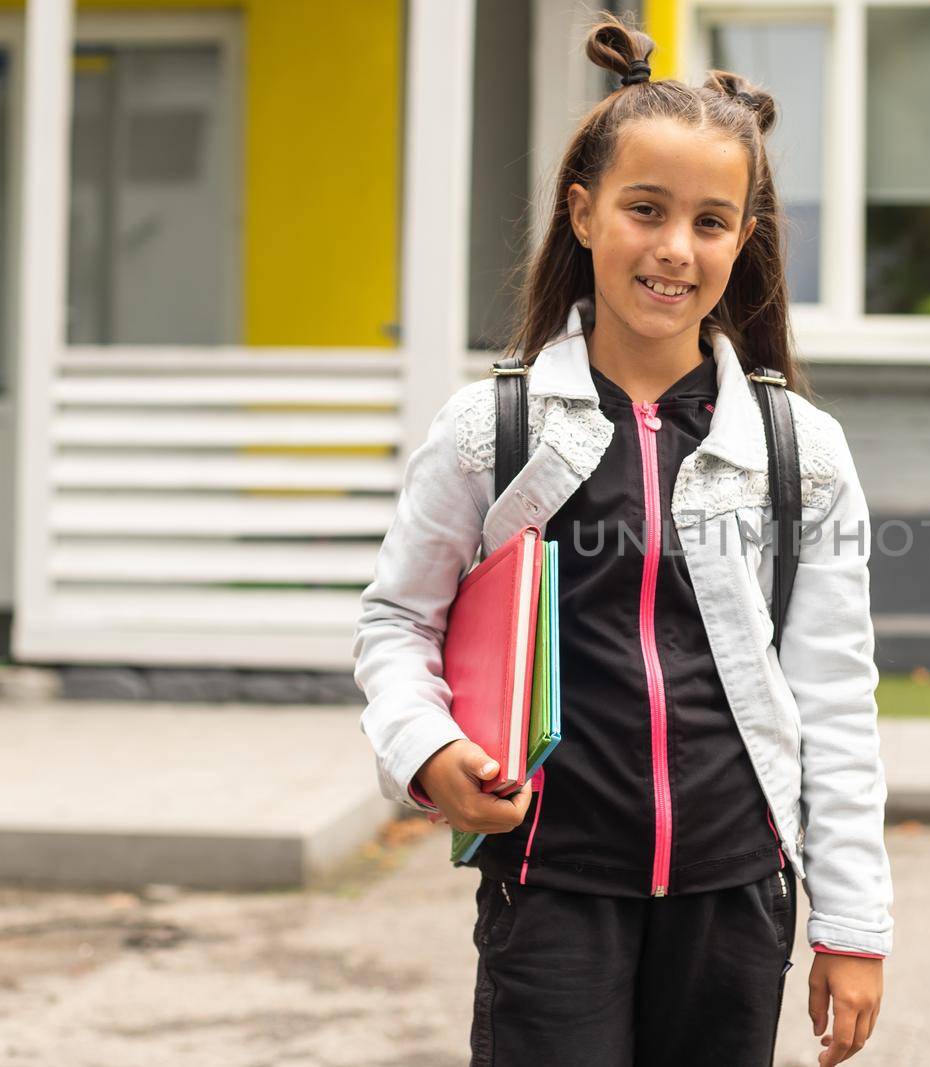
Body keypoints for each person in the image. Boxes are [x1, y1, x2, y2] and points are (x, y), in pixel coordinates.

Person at [350, 12, 892, 1066]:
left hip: (737, 898)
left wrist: (852, 923)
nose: (674, 248)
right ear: (584, 212)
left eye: (711, 221)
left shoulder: (800, 452)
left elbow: (833, 695)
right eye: (646, 209)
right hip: (551, 887)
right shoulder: (490, 432)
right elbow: (395, 623)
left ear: (744, 238)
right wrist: (427, 752)